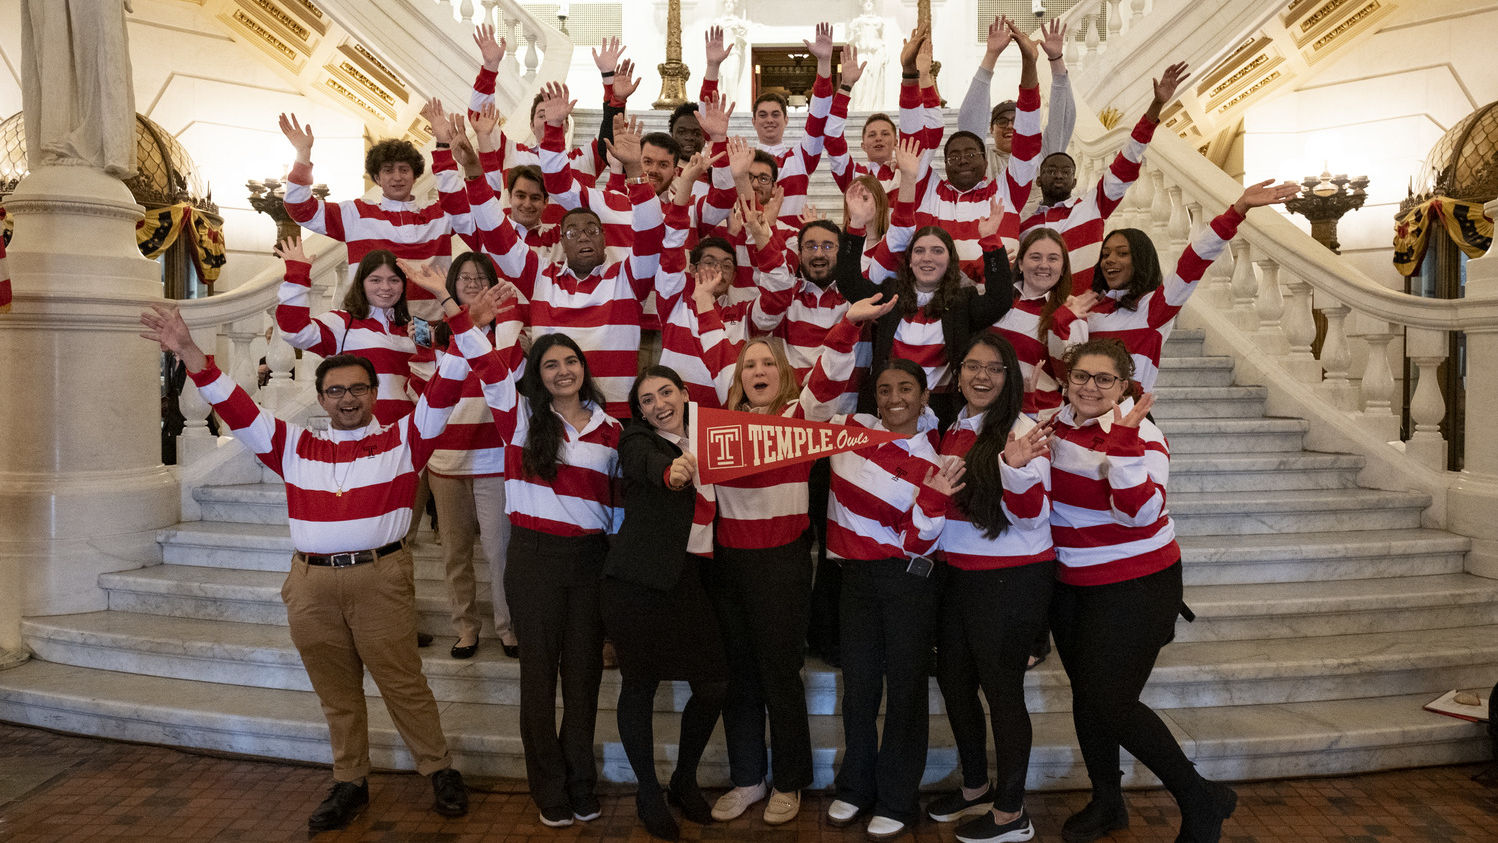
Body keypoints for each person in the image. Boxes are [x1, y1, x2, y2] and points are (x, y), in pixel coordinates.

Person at [135, 273, 504, 832]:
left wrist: (463, 319)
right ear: (323, 398)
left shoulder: (406, 439)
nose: (348, 398)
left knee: (404, 682)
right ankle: (350, 780)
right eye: (336, 391)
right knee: (336, 691)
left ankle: (439, 769)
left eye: (358, 389)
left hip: (380, 578)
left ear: (375, 395)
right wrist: (188, 349)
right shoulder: (292, 445)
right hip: (310, 586)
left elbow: (450, 379)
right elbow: (235, 407)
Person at [695, 294, 898, 826]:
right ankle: (747, 779)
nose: (757, 369)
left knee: (780, 673)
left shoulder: (798, 416)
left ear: (783, 375)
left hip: (781, 563)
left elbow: (829, 380)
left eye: (768, 363)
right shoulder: (722, 419)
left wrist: (846, 326)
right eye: (750, 365)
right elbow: (717, 349)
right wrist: (702, 304)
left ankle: (789, 781)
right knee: (738, 675)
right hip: (727, 563)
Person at [1048, 337, 1237, 843]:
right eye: (1081, 376)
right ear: (1066, 379)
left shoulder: (1143, 434)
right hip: (1072, 582)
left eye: (1104, 378)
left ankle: (1202, 799)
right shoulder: (1053, 423)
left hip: (1135, 583)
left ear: (1124, 385)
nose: (1091, 387)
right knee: (1090, 700)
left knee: (1111, 701)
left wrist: (1124, 447)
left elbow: (1140, 514)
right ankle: (1108, 801)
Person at [467, 316, 622, 828]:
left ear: (584, 367)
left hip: (591, 563)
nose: (562, 371)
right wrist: (457, 313)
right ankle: (549, 787)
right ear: (537, 372)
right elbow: (488, 368)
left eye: (571, 361)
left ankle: (582, 782)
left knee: (583, 680)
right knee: (538, 679)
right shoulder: (519, 417)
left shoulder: (613, 429)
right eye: (550, 363)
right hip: (534, 559)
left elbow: (617, 509)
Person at [822, 357, 964, 840]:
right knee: (859, 689)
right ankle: (856, 786)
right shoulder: (848, 432)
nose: (894, 397)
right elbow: (813, 400)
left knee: (905, 690)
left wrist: (930, 501)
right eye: (884, 389)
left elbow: (920, 541)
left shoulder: (936, 457)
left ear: (926, 396)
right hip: (856, 580)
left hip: (908, 582)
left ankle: (899, 799)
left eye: (906, 388)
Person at [925, 333, 1056, 843]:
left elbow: (1031, 520)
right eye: (973, 367)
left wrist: (1016, 471)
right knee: (956, 684)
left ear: (1011, 379)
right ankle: (977, 786)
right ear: (958, 375)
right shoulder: (955, 425)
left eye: (995, 369)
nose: (982, 377)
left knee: (1002, 694)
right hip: (957, 577)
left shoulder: (1023, 433)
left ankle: (1011, 813)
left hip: (1009, 580)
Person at [605, 366, 729, 840]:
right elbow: (641, 462)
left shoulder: (712, 432)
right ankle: (647, 791)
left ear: (684, 393)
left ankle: (683, 778)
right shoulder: (637, 440)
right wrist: (671, 470)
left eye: (665, 393)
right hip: (637, 582)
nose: (658, 404)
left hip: (690, 579)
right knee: (639, 686)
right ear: (638, 411)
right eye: (647, 400)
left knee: (715, 684)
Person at [1086, 180, 1300, 391]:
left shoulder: (1154, 307)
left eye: (1122, 253)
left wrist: (1239, 209)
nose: (1109, 260)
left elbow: (1194, 260)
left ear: (1141, 260)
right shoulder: (1087, 308)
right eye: (1105, 254)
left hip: (1128, 417)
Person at [1019, 61, 1188, 295]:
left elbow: (1126, 161)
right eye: (1050, 171)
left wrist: (1156, 107)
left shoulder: (1093, 206)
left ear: (1075, 181)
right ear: (1038, 180)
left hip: (1085, 315)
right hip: (1035, 316)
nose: (1058, 175)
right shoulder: (1023, 226)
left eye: (1066, 172)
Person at [424, 252, 519, 660]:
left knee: (500, 552)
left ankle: (509, 627)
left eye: (481, 277)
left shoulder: (509, 335)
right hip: (444, 462)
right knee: (455, 552)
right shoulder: (431, 334)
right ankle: (465, 628)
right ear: (452, 286)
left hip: (492, 461)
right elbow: (423, 391)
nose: (473, 283)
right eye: (464, 277)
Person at [277, 114, 466, 318]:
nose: (397, 177)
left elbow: (485, 212)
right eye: (388, 170)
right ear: (377, 177)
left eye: (404, 170)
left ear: (415, 175)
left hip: (433, 334)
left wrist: (447, 148)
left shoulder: (441, 215)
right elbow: (301, 209)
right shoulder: (356, 213)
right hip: (373, 334)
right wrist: (303, 154)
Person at [273, 239, 416, 426]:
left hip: (407, 437)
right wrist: (297, 276)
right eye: (375, 280)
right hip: (359, 435)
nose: (386, 287)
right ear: (361, 284)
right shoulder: (341, 322)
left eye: (394, 280)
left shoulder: (410, 329)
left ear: (403, 285)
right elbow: (294, 331)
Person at [991, 227, 1095, 416]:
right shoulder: (999, 299)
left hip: (1036, 417)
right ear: (1021, 263)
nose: (1044, 265)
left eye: (1053, 258)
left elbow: (1070, 378)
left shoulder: (1071, 309)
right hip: (989, 410)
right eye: (1036, 257)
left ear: (1063, 268)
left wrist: (1059, 325)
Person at [959, 17, 1075, 188]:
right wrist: (991, 56)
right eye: (1002, 121)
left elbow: (1064, 118)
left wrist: (1056, 59)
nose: (1010, 126)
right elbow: (969, 125)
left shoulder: (1041, 156)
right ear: (991, 129)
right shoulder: (983, 161)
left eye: (1016, 120)